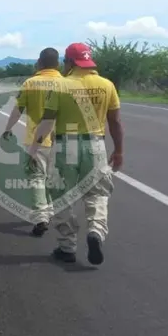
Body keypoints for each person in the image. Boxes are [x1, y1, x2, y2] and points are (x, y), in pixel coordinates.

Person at [27, 42, 124, 265]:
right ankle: (96, 231)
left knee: (62, 195)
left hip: (66, 145)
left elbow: (47, 122)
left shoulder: (60, 86)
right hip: (95, 145)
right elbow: (116, 122)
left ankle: (67, 246)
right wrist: (119, 150)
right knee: (97, 194)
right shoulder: (107, 85)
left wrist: (34, 149)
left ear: (70, 62)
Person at [2, 48, 63, 237]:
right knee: (52, 177)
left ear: (39, 63)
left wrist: (8, 128)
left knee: (37, 177)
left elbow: (18, 109)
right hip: (62, 139)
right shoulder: (66, 83)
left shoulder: (30, 83)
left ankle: (41, 218)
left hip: (36, 139)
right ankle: (50, 211)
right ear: (58, 64)